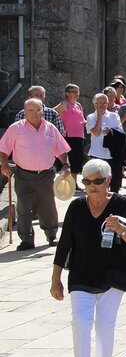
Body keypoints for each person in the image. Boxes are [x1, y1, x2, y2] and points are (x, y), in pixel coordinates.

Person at [51, 159, 126, 357]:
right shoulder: (76, 207)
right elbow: (64, 245)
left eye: (98, 181)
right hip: (81, 275)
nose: (92, 186)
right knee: (80, 323)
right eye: (88, 181)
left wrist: (121, 229)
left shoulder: (121, 205)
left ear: (108, 181)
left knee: (105, 326)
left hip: (113, 276)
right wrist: (55, 279)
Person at [0, 98, 72, 250]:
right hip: (23, 175)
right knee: (24, 207)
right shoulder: (16, 128)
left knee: (48, 206)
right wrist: (4, 164)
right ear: (25, 112)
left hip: (46, 175)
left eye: (38, 110)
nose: (34, 114)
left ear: (43, 111)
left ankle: (52, 235)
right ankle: (26, 240)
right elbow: (3, 148)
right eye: (30, 111)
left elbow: (62, 149)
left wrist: (66, 165)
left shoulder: (50, 128)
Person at [86, 93, 125, 194]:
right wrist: (99, 117)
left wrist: (110, 131)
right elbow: (96, 132)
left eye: (104, 103)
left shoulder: (114, 116)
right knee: (98, 181)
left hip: (112, 153)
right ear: (95, 105)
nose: (102, 106)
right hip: (97, 153)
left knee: (114, 182)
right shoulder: (91, 117)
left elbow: (120, 132)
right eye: (99, 103)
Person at [56, 83, 87, 178]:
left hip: (79, 136)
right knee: (66, 160)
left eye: (77, 91)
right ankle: (63, 182)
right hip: (68, 136)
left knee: (76, 161)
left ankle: (73, 183)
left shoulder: (78, 105)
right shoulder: (64, 104)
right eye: (73, 91)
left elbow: (81, 118)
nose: (76, 93)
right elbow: (53, 113)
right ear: (67, 93)